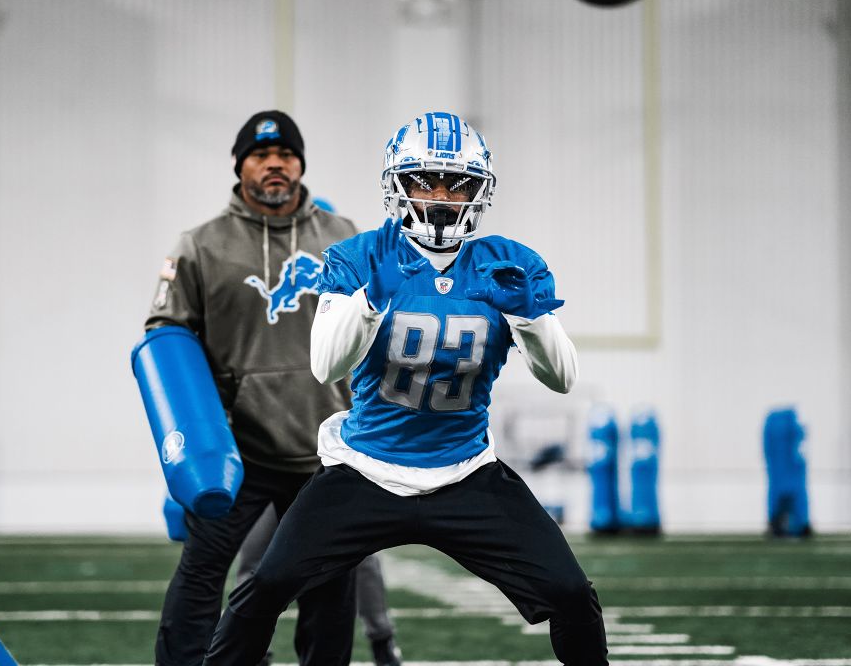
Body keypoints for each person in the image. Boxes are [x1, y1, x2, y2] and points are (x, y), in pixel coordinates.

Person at [202, 111, 609, 665]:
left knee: (570, 595)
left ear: (479, 191)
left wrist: (530, 315)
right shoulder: (361, 255)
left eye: (457, 182)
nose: (441, 194)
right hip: (365, 469)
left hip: (465, 471)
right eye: (426, 180)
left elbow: (561, 378)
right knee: (265, 588)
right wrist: (371, 300)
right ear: (399, 185)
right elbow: (326, 365)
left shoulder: (510, 263)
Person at [146, 110, 360, 666]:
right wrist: (192, 439)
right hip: (237, 451)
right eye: (261, 156)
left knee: (331, 580)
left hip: (326, 446)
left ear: (300, 166)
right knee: (202, 569)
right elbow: (165, 334)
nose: (274, 165)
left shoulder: (345, 239)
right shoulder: (201, 246)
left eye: (285, 156)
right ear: (240, 165)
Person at [235, 507, 403, 666]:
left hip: (326, 482)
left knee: (360, 554)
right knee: (254, 563)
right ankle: (254, 651)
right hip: (274, 479)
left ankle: (382, 639)